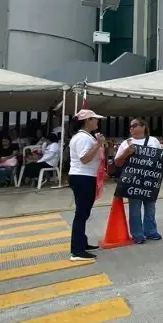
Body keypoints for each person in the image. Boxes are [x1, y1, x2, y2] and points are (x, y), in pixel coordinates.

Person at [115, 118, 163, 243]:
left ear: (143, 127)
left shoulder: (153, 141)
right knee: (134, 208)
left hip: (150, 180)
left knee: (150, 207)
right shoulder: (126, 143)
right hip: (133, 181)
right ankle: (137, 234)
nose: (131, 128)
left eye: (134, 125)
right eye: (130, 126)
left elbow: (160, 160)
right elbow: (117, 163)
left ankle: (151, 231)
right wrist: (126, 152)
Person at [68, 109, 105, 261]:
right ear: (87, 121)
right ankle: (77, 251)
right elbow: (84, 159)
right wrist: (98, 145)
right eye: (94, 119)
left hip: (84, 176)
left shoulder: (84, 136)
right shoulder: (83, 138)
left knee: (83, 213)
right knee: (81, 214)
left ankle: (81, 243)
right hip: (82, 176)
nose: (97, 121)